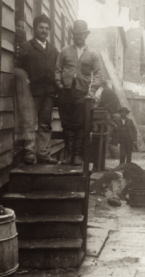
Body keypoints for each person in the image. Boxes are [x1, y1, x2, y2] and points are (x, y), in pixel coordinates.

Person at [55, 20, 102, 166]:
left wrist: (92, 90)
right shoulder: (64, 51)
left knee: (81, 124)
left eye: (81, 34)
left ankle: (77, 156)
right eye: (76, 34)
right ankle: (69, 155)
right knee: (67, 123)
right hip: (66, 92)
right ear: (73, 35)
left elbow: (99, 74)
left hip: (83, 94)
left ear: (86, 35)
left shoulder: (93, 54)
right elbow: (57, 69)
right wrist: (59, 84)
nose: (78, 37)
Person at [17, 15, 59, 164]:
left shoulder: (53, 50)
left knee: (45, 123)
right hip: (32, 92)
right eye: (41, 28)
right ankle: (29, 153)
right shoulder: (27, 47)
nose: (44, 31)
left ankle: (43, 153)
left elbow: (57, 70)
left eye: (47, 28)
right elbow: (18, 67)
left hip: (49, 92)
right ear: (34, 29)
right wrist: (25, 79)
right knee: (30, 122)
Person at [13, 18, 37, 164]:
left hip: (25, 84)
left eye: (23, 27)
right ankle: (15, 144)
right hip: (12, 82)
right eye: (18, 26)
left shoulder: (27, 47)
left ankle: (29, 149)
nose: (20, 30)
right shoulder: (8, 44)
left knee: (27, 113)